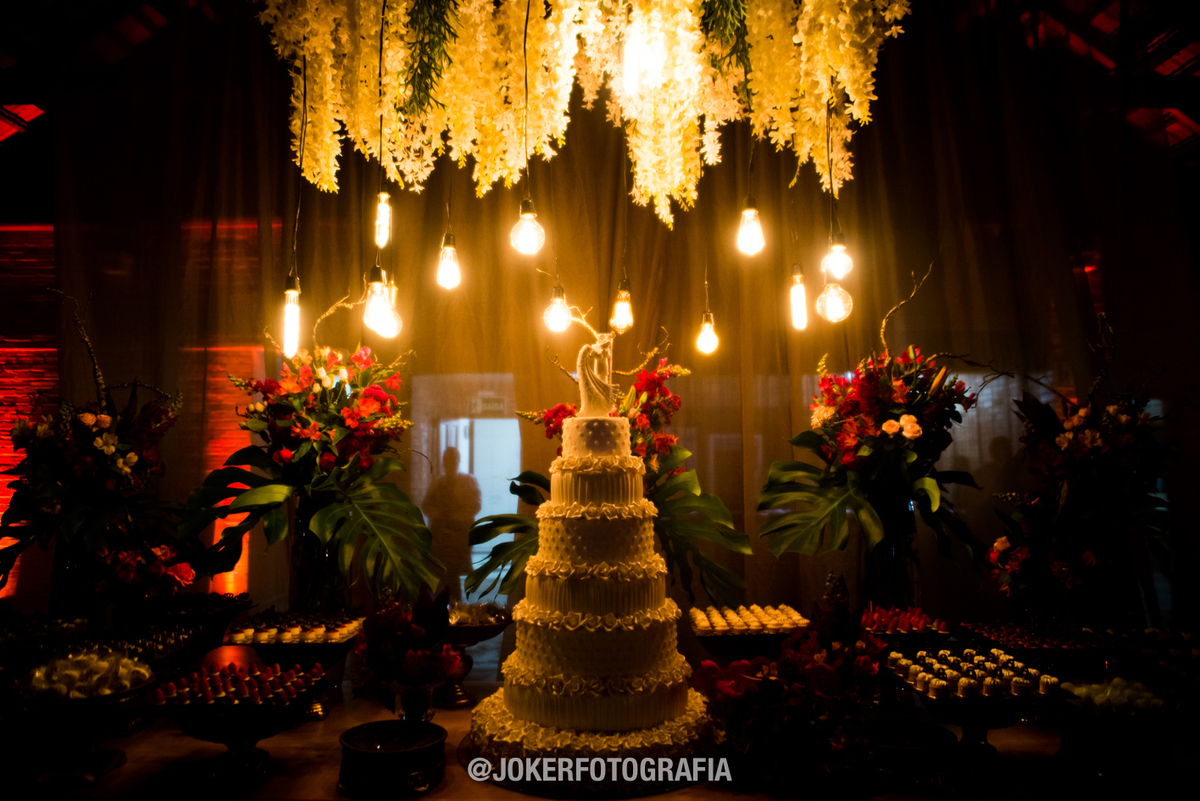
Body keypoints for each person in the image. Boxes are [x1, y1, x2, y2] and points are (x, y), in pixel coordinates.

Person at [422, 446, 481, 602]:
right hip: (439, 536)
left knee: (452, 575)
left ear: (458, 461)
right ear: (443, 462)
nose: (450, 463)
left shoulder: (468, 481)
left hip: (458, 536)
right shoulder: (437, 483)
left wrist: (458, 516)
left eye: (453, 459)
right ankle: (442, 608)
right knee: (440, 574)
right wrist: (439, 514)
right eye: (447, 460)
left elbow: (476, 505)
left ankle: (454, 606)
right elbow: (426, 505)